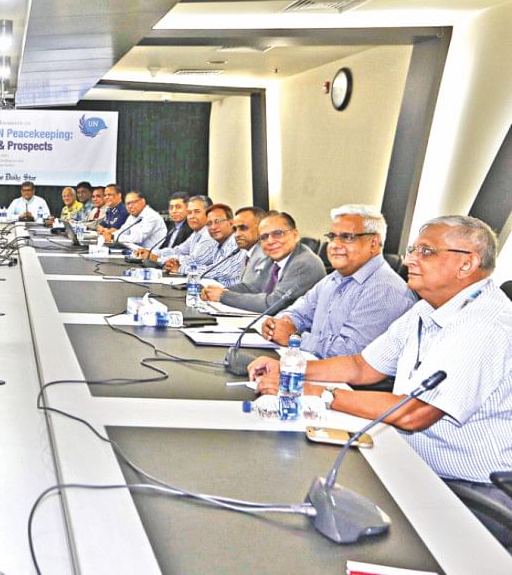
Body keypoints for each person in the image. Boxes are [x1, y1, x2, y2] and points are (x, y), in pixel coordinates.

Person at [248, 215, 512, 546]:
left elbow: (415, 413)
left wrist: (318, 393)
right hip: (408, 463)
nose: (410, 260)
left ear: (466, 263)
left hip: (469, 492)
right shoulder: (428, 309)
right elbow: (362, 367)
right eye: (413, 250)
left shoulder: (485, 325)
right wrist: (290, 368)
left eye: (426, 252)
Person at [258, 205, 416, 358]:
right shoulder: (334, 278)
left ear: (374, 243)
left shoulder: (385, 289)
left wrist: (295, 338)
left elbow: (352, 353)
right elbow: (299, 313)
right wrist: (277, 324)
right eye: (332, 237)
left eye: (347, 237)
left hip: (343, 376)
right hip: (311, 365)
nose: (334, 245)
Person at [202, 211, 325, 312]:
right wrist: (216, 291)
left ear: (295, 235)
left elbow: (272, 304)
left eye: (278, 234)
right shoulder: (273, 258)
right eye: (264, 237)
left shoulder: (304, 263)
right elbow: (253, 288)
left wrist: (224, 296)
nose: (270, 241)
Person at [134, 195, 215, 270]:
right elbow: (178, 251)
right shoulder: (197, 233)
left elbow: (194, 261)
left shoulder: (210, 234)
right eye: (189, 212)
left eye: (197, 212)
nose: (192, 216)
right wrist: (150, 252)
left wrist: (158, 259)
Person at [195, 203, 247, 287]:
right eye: (209, 224)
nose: (213, 227)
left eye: (218, 221)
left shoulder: (238, 244)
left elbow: (220, 272)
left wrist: (183, 268)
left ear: (231, 223)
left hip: (231, 294)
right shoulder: (217, 244)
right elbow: (197, 260)